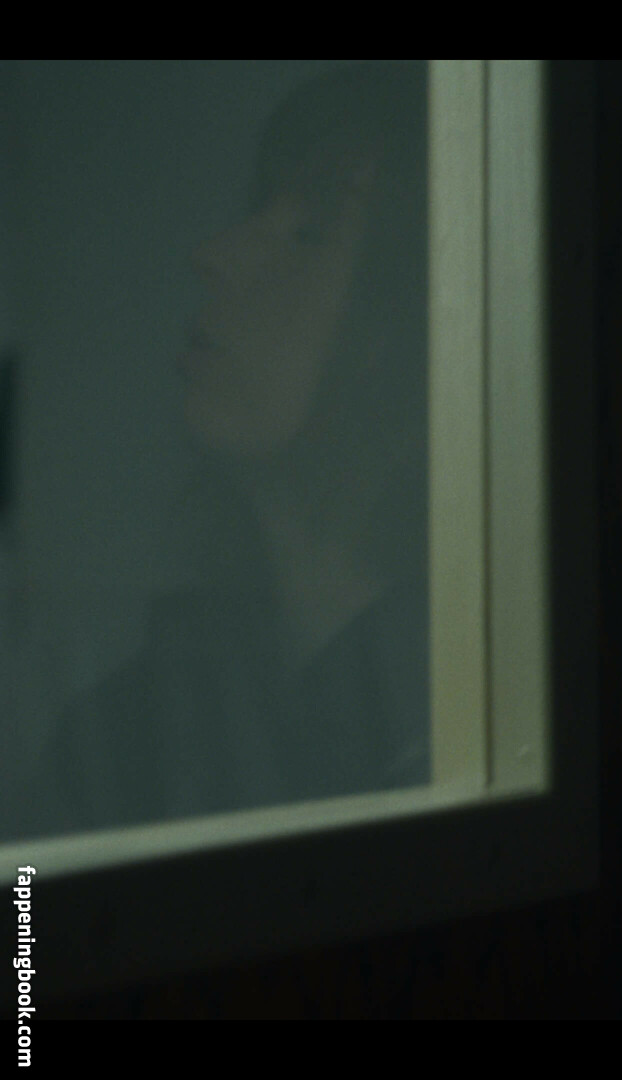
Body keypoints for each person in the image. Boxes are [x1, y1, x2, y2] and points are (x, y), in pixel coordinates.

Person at [4, 61, 430, 840]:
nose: (213, 253)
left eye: (310, 233)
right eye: (259, 211)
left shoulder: (470, 713)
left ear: (411, 328)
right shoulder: (130, 728)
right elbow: (28, 916)